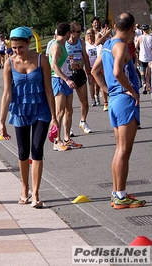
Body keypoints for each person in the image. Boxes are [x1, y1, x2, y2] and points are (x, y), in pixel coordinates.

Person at [91, 12, 146, 209]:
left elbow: (94, 71)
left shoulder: (107, 45)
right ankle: (120, 195)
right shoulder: (121, 45)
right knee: (124, 150)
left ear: (116, 27)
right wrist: (131, 91)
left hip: (115, 99)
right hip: (124, 100)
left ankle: (117, 193)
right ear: (132, 29)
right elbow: (116, 71)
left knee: (119, 149)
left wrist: (108, 90)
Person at [0, 26, 58, 208]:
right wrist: (1, 121)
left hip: (41, 110)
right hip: (20, 110)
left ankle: (36, 194)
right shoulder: (9, 63)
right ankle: (24, 189)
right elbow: (7, 93)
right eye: (14, 48)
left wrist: (54, 117)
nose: (17, 51)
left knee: (37, 149)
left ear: (28, 43)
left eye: (20, 47)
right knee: (23, 152)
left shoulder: (42, 60)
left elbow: (49, 90)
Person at [49, 22, 82, 151]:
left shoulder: (62, 45)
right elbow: (54, 66)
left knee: (69, 110)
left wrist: (72, 65)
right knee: (60, 112)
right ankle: (56, 140)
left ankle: (67, 138)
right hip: (59, 80)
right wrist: (67, 79)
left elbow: (62, 63)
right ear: (68, 33)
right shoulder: (56, 45)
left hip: (66, 79)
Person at [66, 22, 93, 135]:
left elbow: (85, 58)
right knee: (68, 105)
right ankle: (68, 127)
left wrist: (89, 73)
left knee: (84, 101)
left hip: (79, 72)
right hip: (68, 74)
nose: (80, 33)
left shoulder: (81, 42)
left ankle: (83, 121)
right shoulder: (65, 43)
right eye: (77, 31)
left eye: (80, 31)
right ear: (71, 32)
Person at [85, 29, 105, 107]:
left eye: (91, 33)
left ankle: (96, 95)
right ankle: (93, 99)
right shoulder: (86, 44)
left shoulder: (97, 43)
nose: (89, 35)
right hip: (89, 65)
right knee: (91, 83)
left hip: (97, 65)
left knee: (97, 82)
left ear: (94, 34)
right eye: (88, 34)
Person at [135, 24, 152, 94]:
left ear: (142, 30)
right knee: (149, 74)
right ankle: (149, 88)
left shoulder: (139, 37)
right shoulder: (151, 37)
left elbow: (135, 48)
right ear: (148, 30)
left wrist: (138, 52)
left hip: (142, 57)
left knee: (143, 73)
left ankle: (144, 84)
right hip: (150, 58)